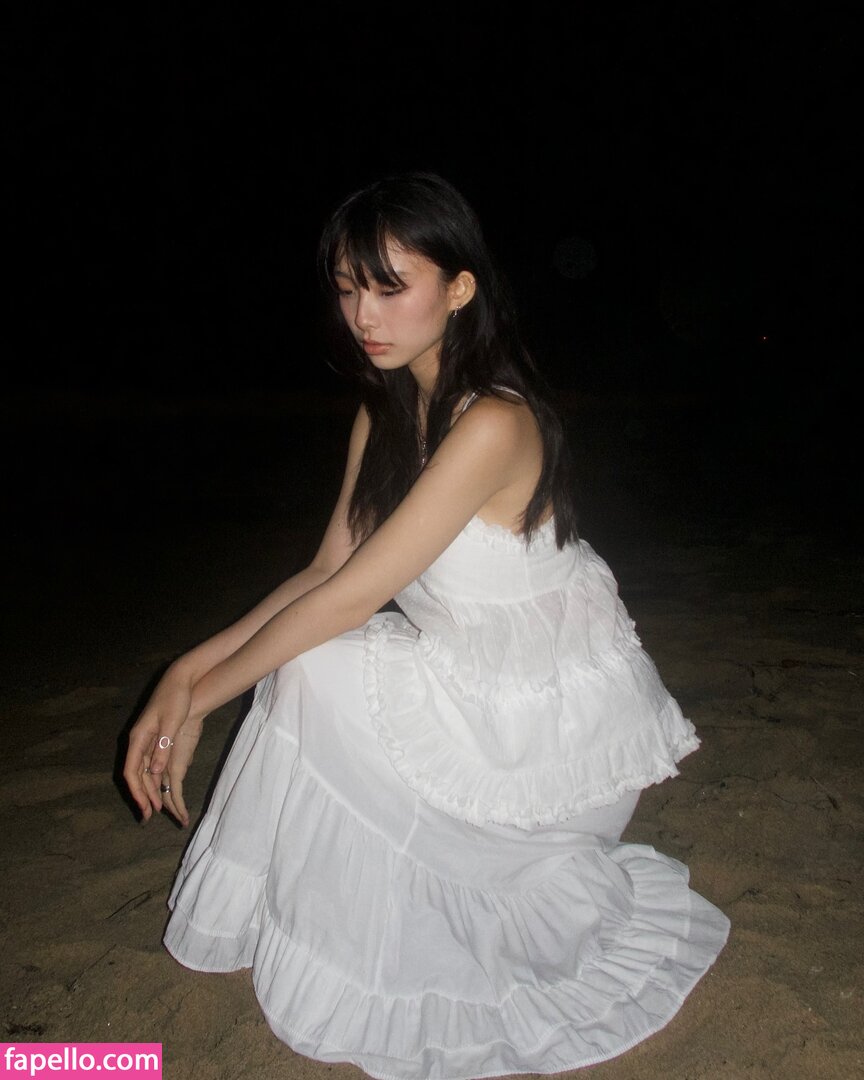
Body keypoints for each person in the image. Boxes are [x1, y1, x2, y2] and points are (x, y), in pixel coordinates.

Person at [123, 171, 730, 1078]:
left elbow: (350, 600)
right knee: (305, 664)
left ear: (459, 288)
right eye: (346, 288)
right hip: (460, 673)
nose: (363, 315)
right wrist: (181, 676)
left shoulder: (493, 423)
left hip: (537, 729)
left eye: (389, 286)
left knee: (312, 666)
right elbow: (326, 572)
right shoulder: (386, 406)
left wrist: (203, 701)